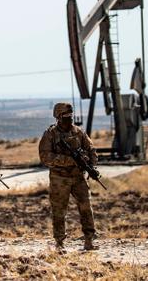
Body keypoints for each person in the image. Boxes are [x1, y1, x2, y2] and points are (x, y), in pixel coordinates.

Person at [38, 102, 98, 251]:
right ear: (58, 117)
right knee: (59, 210)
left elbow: (91, 150)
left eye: (70, 115)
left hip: (78, 177)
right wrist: (68, 160)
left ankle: (89, 240)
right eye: (65, 116)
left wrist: (92, 166)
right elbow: (45, 156)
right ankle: (59, 242)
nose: (69, 118)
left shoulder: (78, 133)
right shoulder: (50, 134)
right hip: (60, 178)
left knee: (86, 207)